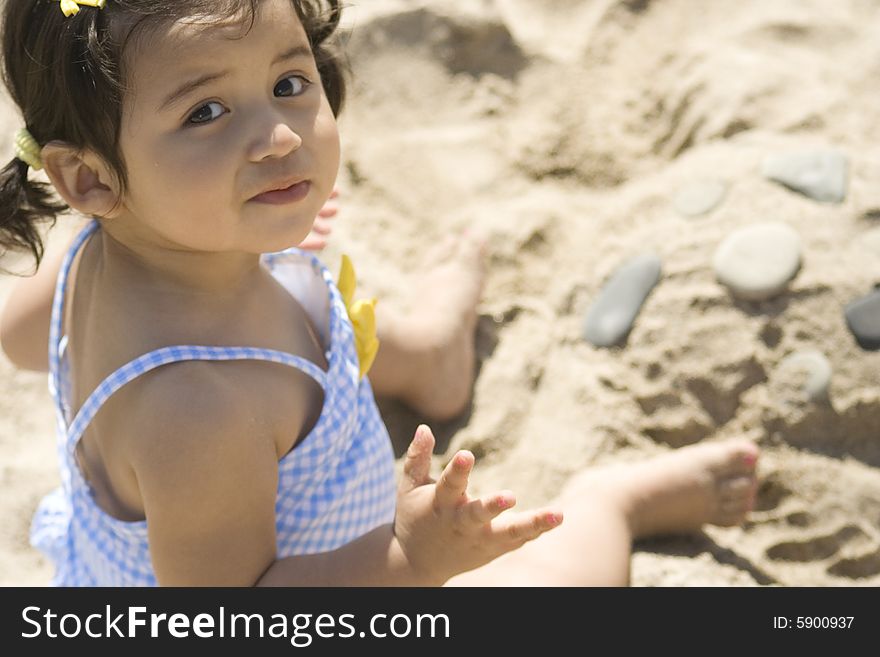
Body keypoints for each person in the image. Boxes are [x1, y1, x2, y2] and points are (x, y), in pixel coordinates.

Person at [0, 0, 758, 586]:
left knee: (299, 290)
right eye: (206, 113)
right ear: (90, 177)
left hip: (251, 402)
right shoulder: (198, 410)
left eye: (288, 83)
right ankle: (610, 503)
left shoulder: (103, 251)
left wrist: (219, 219)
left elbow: (19, 337)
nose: (280, 137)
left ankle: (428, 355)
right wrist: (406, 555)